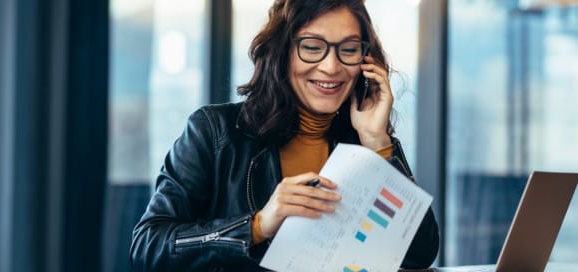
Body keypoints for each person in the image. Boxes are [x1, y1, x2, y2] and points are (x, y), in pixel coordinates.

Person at [130, 0, 439, 270]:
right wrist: (257, 226)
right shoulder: (215, 131)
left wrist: (378, 142)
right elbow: (148, 246)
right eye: (312, 47)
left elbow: (419, 254)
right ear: (282, 52)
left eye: (348, 50)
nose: (331, 67)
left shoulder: (364, 139)